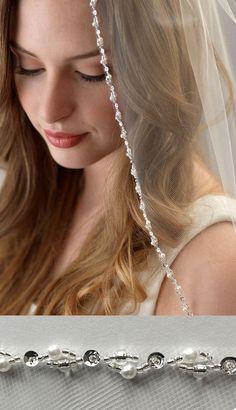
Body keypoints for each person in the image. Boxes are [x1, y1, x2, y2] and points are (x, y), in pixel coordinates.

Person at [0, 0, 236, 315]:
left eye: (93, 73)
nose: (50, 110)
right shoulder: (21, 199)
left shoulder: (214, 263)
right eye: (29, 66)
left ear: (157, 66)